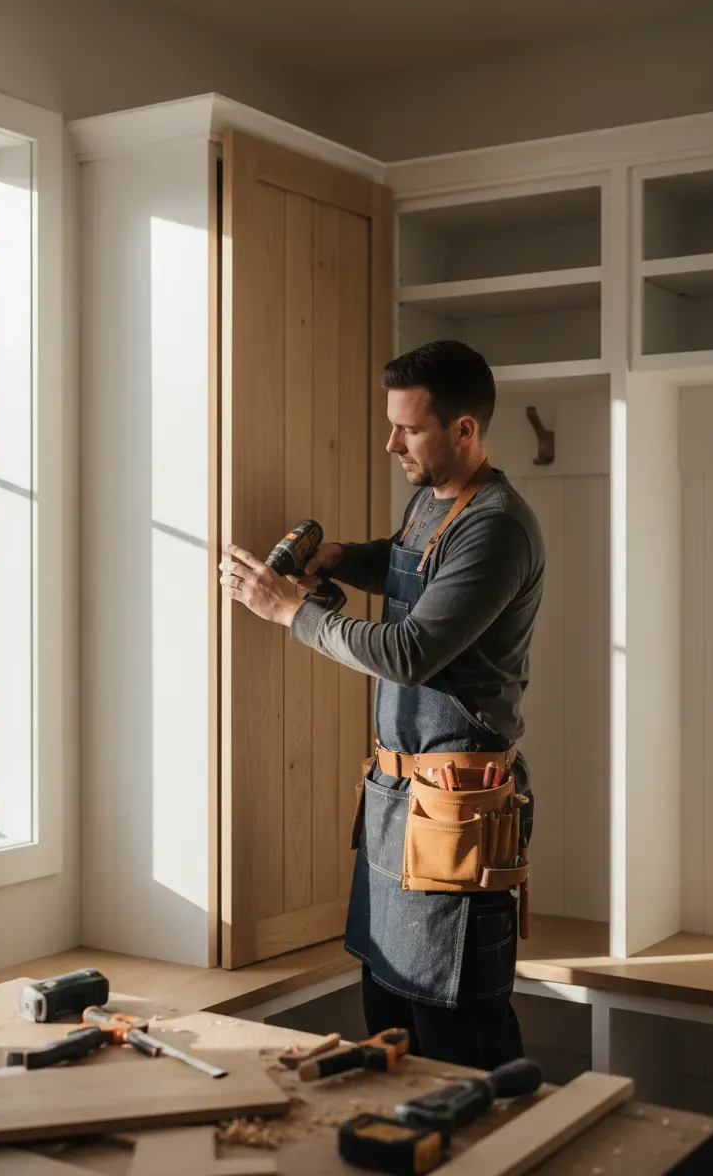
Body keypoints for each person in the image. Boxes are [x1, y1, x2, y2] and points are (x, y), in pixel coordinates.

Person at [219, 340, 544, 1069]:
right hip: (397, 805)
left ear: (464, 430)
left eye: (409, 428)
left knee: (463, 1046)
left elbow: (410, 650)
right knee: (389, 1032)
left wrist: (289, 611)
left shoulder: (495, 525)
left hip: (457, 817)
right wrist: (344, 557)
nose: (390, 441)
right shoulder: (430, 502)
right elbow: (414, 570)